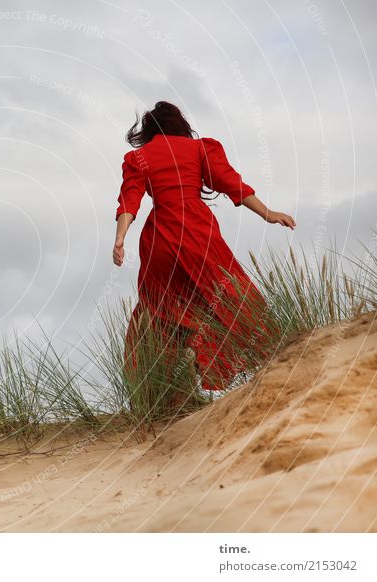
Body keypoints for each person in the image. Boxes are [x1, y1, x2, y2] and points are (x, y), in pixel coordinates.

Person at [112, 101, 296, 391]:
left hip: (158, 237)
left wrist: (120, 237)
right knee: (230, 294)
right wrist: (267, 213)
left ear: (149, 131)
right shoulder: (199, 149)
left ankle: (160, 390)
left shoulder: (138, 158)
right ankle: (274, 358)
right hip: (197, 230)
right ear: (180, 125)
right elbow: (230, 182)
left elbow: (130, 199)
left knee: (160, 311)